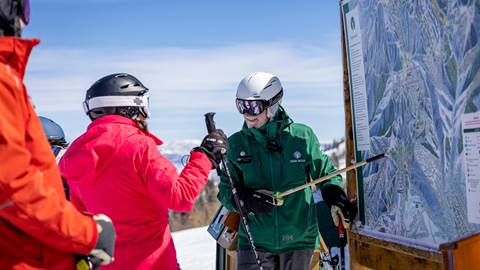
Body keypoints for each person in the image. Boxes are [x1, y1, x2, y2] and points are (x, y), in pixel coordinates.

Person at [59, 73, 227, 270]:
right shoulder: (138, 146)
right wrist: (205, 157)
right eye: (144, 104)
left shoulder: (71, 156)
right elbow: (180, 197)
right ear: (130, 106)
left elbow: (77, 218)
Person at [0, 1, 116, 269]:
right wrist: (89, 233)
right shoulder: (3, 82)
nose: (24, 21)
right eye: (24, 10)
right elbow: (14, 189)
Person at [217, 72, 357, 270]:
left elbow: (326, 173)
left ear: (272, 104)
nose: (247, 113)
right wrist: (245, 199)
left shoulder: (301, 137)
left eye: (253, 107)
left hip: (298, 240)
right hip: (254, 240)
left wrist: (333, 193)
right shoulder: (236, 144)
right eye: (241, 105)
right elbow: (224, 190)